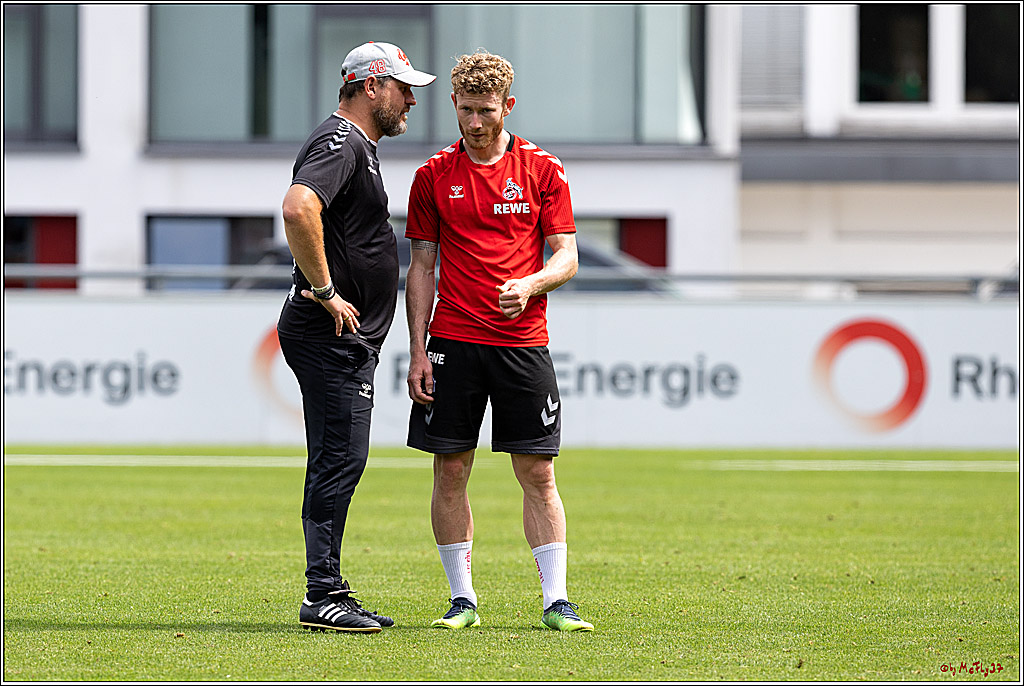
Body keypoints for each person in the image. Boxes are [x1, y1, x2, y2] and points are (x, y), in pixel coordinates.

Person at [404, 49, 593, 632]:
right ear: (454, 106)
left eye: (486, 110)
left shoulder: (542, 170)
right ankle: (462, 600)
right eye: (465, 110)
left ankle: (556, 601)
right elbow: (421, 266)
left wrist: (532, 282)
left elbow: (568, 256)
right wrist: (416, 350)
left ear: (508, 106)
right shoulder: (432, 176)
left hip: (522, 342)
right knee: (449, 469)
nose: (475, 122)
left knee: (538, 472)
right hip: (452, 341)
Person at [278, 41, 435, 633]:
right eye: (403, 88)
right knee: (339, 460)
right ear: (372, 85)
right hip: (331, 336)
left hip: (341, 338)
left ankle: (329, 588)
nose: (411, 101)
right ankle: (322, 594)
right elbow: (298, 210)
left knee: (339, 459)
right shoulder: (342, 141)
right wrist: (325, 291)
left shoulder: (355, 146)